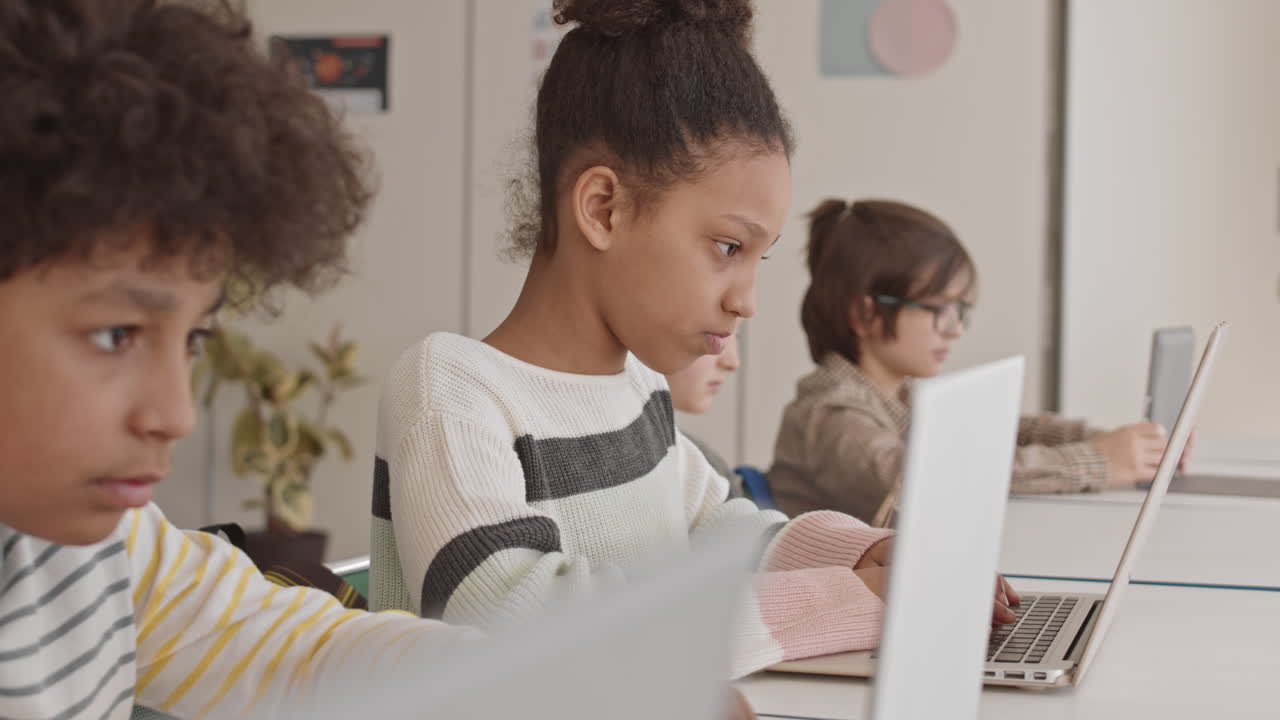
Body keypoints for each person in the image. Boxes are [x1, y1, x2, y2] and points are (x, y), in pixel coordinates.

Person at [372, 0, 1018, 680]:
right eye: (726, 246)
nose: (746, 300)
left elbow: (718, 527)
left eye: (755, 259)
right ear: (604, 208)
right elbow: (515, 619)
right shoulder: (451, 390)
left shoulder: (638, 390)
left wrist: (866, 553)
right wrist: (849, 599)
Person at [769, 198, 1177, 526]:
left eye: (958, 311)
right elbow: (931, 480)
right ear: (866, 315)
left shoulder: (903, 395)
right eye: (938, 310)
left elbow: (1008, 431)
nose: (954, 330)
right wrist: (1096, 462)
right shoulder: (827, 415)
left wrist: (1117, 444)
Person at [667, 333, 740, 482]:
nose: (733, 362)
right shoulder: (705, 471)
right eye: (717, 335)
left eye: (737, 337)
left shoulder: (709, 469)